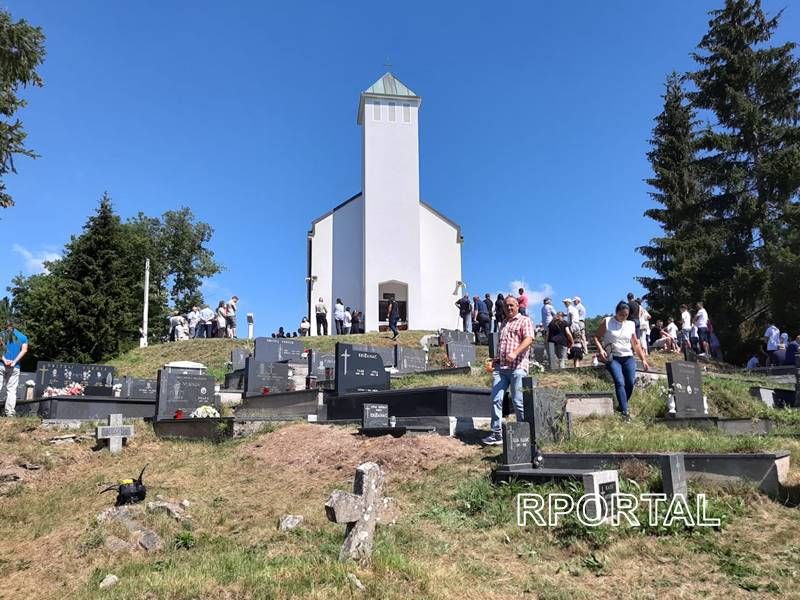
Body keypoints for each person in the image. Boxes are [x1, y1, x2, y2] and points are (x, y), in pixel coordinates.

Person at [481, 296, 534, 446]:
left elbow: (529, 339)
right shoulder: (503, 323)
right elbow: (502, 346)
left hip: (518, 367)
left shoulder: (524, 320)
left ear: (517, 306)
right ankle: (496, 433)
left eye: (511, 305)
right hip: (501, 369)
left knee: (518, 401)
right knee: (496, 399)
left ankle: (523, 434)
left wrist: (515, 353)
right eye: (506, 306)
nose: (509, 308)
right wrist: (495, 361)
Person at [594, 301, 650, 421]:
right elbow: (596, 337)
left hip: (628, 357)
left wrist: (643, 359)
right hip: (614, 357)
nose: (624, 317)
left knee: (630, 382)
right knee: (620, 382)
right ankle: (625, 413)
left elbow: (635, 343)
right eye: (622, 315)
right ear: (617, 312)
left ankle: (621, 405)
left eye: (626, 315)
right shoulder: (607, 321)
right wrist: (601, 349)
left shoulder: (630, 324)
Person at [1, 321, 28, 417]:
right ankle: (10, 413)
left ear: (6, 326)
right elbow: (24, 350)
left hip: (1, 365)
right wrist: (14, 361)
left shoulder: (1, 335)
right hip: (15, 366)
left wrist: (4, 360)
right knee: (12, 390)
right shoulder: (23, 337)